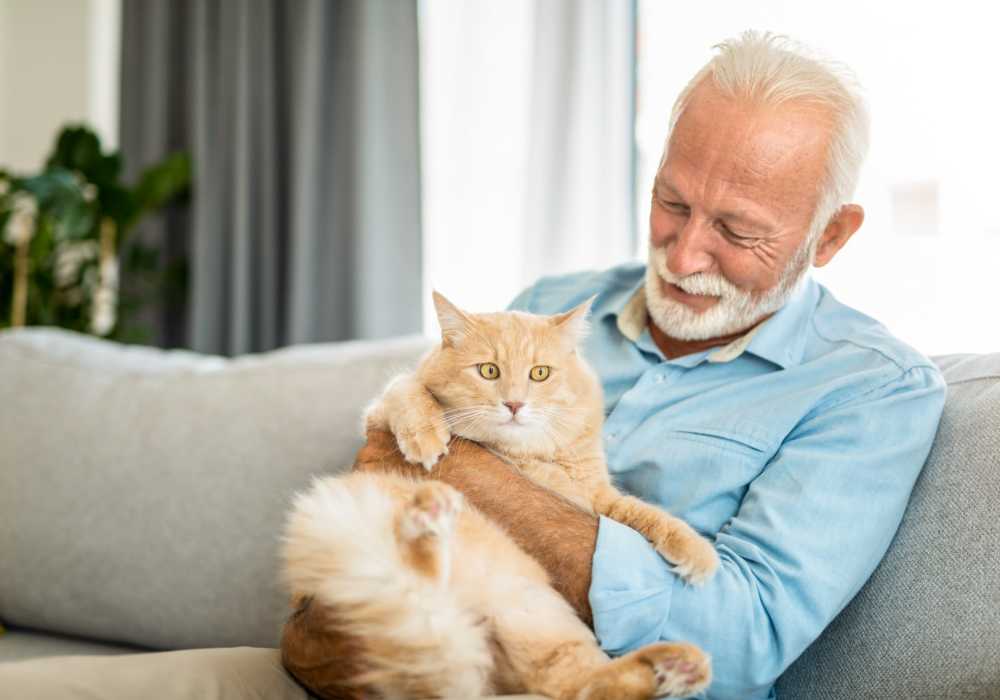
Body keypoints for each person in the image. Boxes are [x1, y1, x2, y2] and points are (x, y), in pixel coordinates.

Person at [286, 30, 946, 699]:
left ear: (829, 235)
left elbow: (739, 643)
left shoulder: (872, 390)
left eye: (737, 231)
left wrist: (465, 470)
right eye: (672, 204)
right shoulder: (548, 310)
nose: (684, 256)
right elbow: (379, 473)